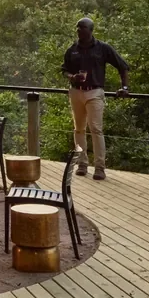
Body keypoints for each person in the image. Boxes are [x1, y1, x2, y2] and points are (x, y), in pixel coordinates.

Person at [61, 17, 130, 180]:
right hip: (76, 92)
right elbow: (64, 69)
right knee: (78, 129)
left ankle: (100, 167)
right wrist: (72, 77)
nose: (78, 30)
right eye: (77, 27)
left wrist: (125, 87)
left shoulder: (103, 48)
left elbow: (123, 66)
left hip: (95, 92)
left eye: (82, 27)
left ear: (90, 30)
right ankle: (82, 163)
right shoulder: (72, 49)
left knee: (96, 129)